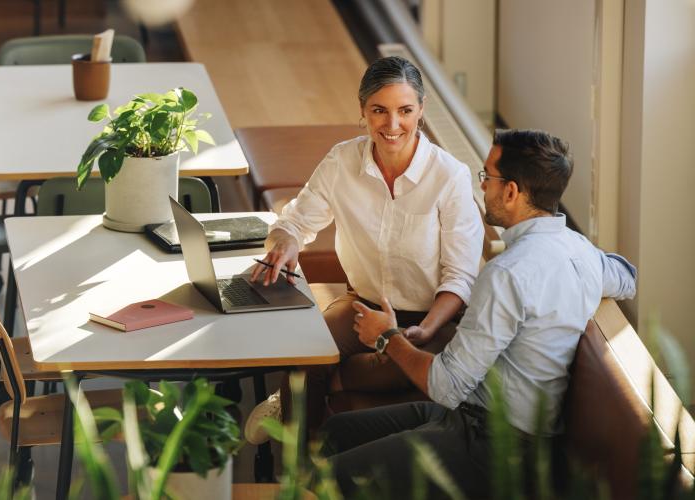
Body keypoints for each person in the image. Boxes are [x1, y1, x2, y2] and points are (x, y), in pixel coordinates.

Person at [319, 129, 638, 498]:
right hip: (478, 419)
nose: (481, 186)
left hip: (494, 446)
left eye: (486, 177)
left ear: (512, 191)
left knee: (329, 478)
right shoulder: (579, 250)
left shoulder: (506, 274)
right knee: (335, 431)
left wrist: (387, 336)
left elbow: (444, 385)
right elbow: (627, 278)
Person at [244, 56, 484, 444]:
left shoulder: (449, 176)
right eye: (379, 111)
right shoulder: (342, 161)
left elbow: (460, 277)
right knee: (303, 350)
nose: (392, 125)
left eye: (405, 111)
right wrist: (286, 242)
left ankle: (326, 380)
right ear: (363, 111)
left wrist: (421, 331)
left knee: (417, 364)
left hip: (433, 316)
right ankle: (301, 471)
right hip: (363, 306)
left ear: (421, 110)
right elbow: (295, 222)